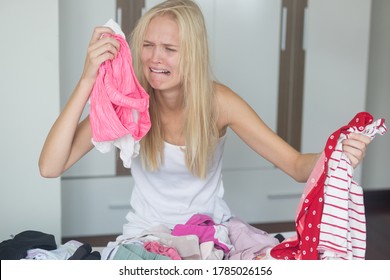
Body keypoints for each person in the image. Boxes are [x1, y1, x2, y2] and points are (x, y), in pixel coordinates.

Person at [39, 0, 370, 245]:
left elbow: (297, 166)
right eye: (148, 45)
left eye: (170, 49)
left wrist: (337, 153)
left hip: (208, 235)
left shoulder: (218, 103)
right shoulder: (130, 102)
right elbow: (50, 167)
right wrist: (86, 81)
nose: (155, 58)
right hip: (145, 234)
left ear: (193, 54)